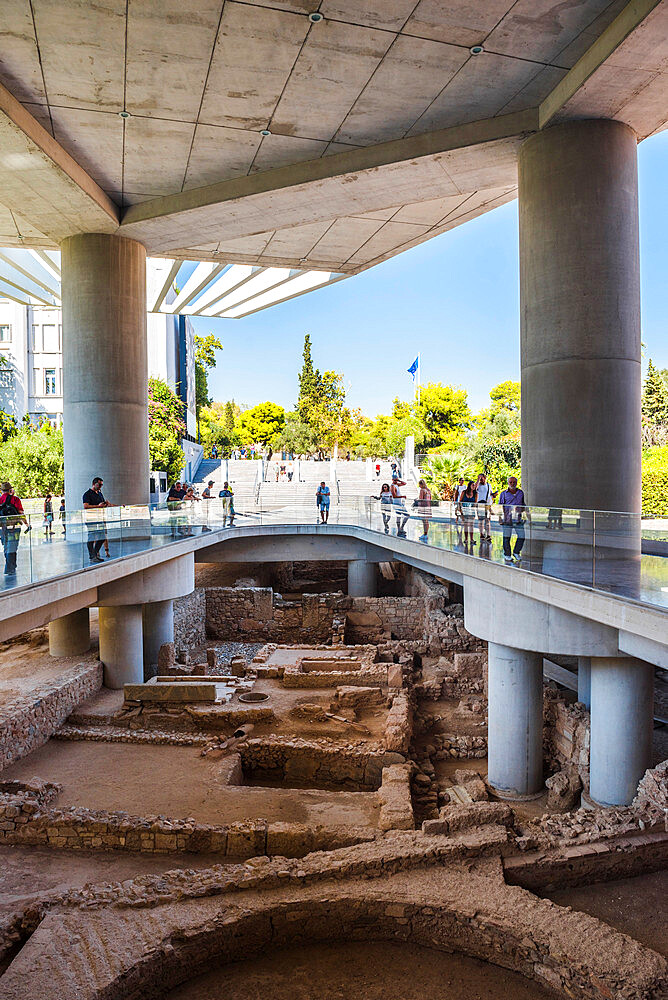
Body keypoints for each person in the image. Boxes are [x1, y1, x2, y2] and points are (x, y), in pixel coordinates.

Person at [0, 483, 29, 576]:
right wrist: (26, 524)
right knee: (12, 547)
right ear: (10, 490)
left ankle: (12, 565)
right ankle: (9, 568)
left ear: (1, 490)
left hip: (2, 528)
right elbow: (21, 513)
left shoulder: (0, 499)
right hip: (14, 527)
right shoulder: (15, 499)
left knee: (6, 546)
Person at [498, 476, 528, 565]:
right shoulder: (503, 494)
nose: (512, 484)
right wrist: (500, 518)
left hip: (518, 518)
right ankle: (507, 554)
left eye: (514, 482)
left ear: (516, 483)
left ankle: (516, 552)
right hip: (507, 519)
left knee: (522, 536)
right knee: (507, 538)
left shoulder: (520, 493)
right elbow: (500, 507)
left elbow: (523, 505)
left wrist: (526, 515)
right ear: (508, 483)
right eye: (510, 482)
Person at [82, 476, 111, 563]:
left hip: (100, 518)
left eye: (102, 485)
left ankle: (94, 554)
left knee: (102, 537)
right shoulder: (87, 494)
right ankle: (92, 556)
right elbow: (86, 506)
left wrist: (106, 504)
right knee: (91, 537)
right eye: (99, 485)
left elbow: (101, 504)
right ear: (94, 484)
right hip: (91, 519)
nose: (100, 487)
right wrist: (98, 506)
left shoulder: (100, 494)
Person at [475, 473, 497, 542]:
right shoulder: (478, 485)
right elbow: (474, 489)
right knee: (481, 520)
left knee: (487, 520)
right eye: (480, 479)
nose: (481, 480)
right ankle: (481, 534)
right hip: (480, 504)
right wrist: (478, 479)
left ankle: (488, 535)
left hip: (487, 504)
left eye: (482, 478)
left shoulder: (488, 485)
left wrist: (494, 496)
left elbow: (490, 494)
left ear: (485, 478)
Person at [460, 480, 477, 547]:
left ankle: (472, 539)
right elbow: (460, 501)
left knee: (471, 525)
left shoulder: (475, 493)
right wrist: (460, 511)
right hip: (464, 510)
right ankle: (466, 539)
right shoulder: (464, 492)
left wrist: (473, 510)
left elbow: (475, 503)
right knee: (466, 525)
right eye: (472, 485)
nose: (474, 486)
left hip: (471, 511)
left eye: (474, 485)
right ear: (469, 485)